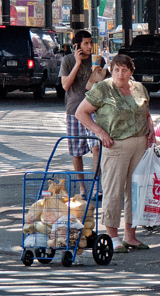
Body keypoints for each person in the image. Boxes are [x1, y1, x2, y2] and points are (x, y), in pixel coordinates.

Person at [75, 54, 155, 253]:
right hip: (115, 145)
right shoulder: (102, 88)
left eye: (125, 70)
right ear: (111, 69)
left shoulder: (139, 88)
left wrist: (151, 128)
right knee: (113, 191)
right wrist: (100, 133)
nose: (120, 73)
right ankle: (112, 235)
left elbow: (145, 112)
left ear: (131, 71)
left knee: (135, 191)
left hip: (140, 143)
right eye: (116, 69)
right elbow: (80, 112)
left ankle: (131, 235)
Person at [59, 30, 106, 197]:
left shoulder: (98, 60)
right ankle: (82, 188)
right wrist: (78, 63)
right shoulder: (68, 60)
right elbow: (65, 85)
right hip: (73, 110)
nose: (89, 47)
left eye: (90, 43)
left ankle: (95, 187)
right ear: (77, 45)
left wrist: (97, 71)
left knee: (96, 147)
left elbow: (104, 85)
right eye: (85, 43)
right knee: (76, 152)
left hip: (93, 110)